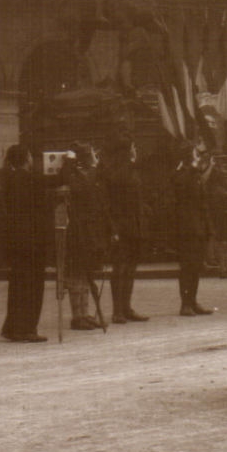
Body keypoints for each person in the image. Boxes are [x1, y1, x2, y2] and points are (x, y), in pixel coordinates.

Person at [0, 145, 50, 343]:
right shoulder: (29, 178)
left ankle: (13, 327)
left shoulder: (9, 179)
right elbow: (58, 181)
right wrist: (69, 162)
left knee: (18, 284)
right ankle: (27, 328)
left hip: (16, 239)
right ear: (27, 158)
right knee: (33, 285)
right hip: (33, 239)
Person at [60, 143, 112, 329]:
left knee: (88, 274)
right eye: (92, 154)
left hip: (92, 230)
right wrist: (69, 162)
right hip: (79, 230)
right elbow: (78, 187)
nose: (95, 157)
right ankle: (77, 316)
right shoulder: (77, 175)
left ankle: (85, 312)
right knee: (77, 275)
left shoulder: (94, 174)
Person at [101, 139, 150, 324]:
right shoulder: (117, 173)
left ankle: (126, 307)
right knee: (120, 268)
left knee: (130, 268)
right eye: (133, 148)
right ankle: (117, 311)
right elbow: (110, 204)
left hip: (134, 226)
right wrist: (113, 228)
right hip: (121, 227)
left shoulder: (132, 171)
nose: (135, 151)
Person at [171, 139, 217, 316]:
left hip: (199, 225)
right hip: (186, 228)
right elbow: (181, 191)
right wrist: (192, 168)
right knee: (187, 266)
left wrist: (208, 227)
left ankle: (193, 300)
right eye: (196, 153)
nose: (199, 156)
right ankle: (185, 304)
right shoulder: (181, 173)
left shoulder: (194, 173)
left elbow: (202, 201)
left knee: (196, 266)